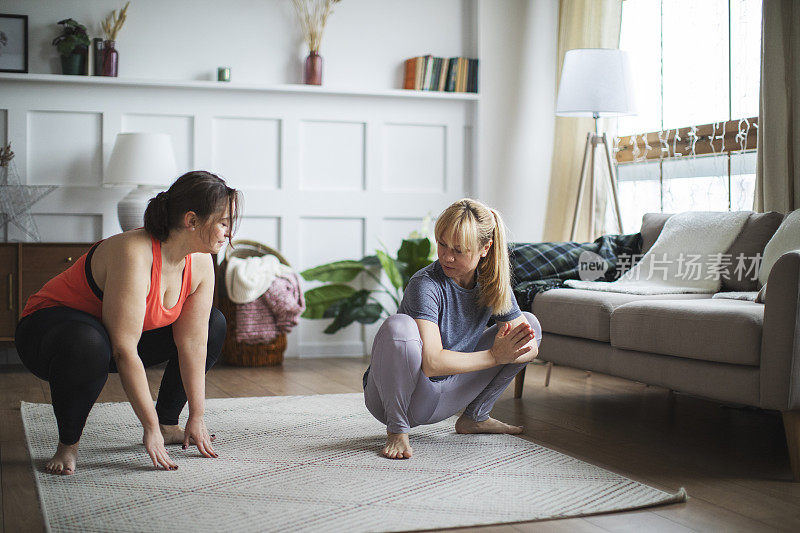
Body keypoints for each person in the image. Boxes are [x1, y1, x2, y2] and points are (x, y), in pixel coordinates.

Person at [14, 170, 240, 475]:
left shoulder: (200, 261)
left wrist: (197, 415)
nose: (228, 232)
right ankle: (68, 444)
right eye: (224, 223)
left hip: (108, 339)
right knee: (90, 341)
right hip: (49, 334)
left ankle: (168, 422)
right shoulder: (134, 252)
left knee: (213, 324)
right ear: (191, 221)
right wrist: (147, 428)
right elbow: (124, 349)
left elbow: (194, 343)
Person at [363, 198, 542, 459]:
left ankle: (474, 418)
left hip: (445, 396)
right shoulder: (425, 285)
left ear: (485, 249)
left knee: (530, 326)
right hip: (399, 398)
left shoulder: (492, 282)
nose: (447, 256)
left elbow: (531, 347)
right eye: (443, 244)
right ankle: (398, 431)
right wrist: (495, 356)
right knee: (398, 326)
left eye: (459, 250)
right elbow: (432, 363)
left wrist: (510, 351)